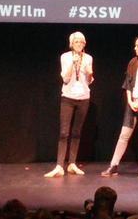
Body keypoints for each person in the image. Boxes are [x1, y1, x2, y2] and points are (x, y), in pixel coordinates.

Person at [101, 36, 138, 178]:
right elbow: (128, 85)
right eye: (135, 46)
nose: (135, 48)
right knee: (124, 135)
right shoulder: (132, 63)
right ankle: (113, 165)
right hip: (132, 103)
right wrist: (130, 101)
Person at [44, 31, 94, 177]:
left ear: (84, 44)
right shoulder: (65, 57)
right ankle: (59, 166)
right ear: (71, 44)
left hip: (83, 98)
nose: (79, 44)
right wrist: (73, 64)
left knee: (77, 133)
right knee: (64, 133)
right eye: (76, 41)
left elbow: (89, 80)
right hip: (68, 97)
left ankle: (72, 163)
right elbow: (65, 79)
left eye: (81, 42)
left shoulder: (89, 58)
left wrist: (90, 73)